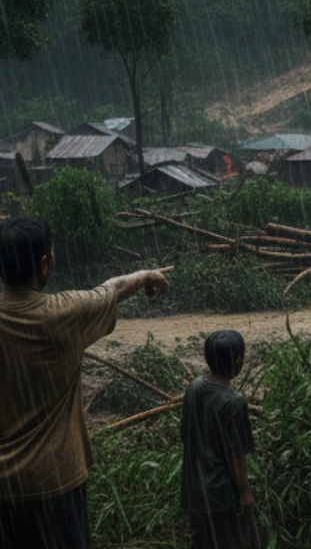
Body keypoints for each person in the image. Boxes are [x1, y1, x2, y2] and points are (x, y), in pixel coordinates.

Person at [0, 215, 171, 549]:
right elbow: (112, 289)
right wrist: (146, 275)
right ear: (45, 265)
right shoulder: (66, 314)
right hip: (57, 484)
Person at [181, 330, 259, 549]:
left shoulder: (194, 387)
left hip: (193, 490)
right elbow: (236, 455)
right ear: (239, 362)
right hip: (220, 495)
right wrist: (244, 491)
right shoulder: (234, 402)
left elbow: (185, 434)